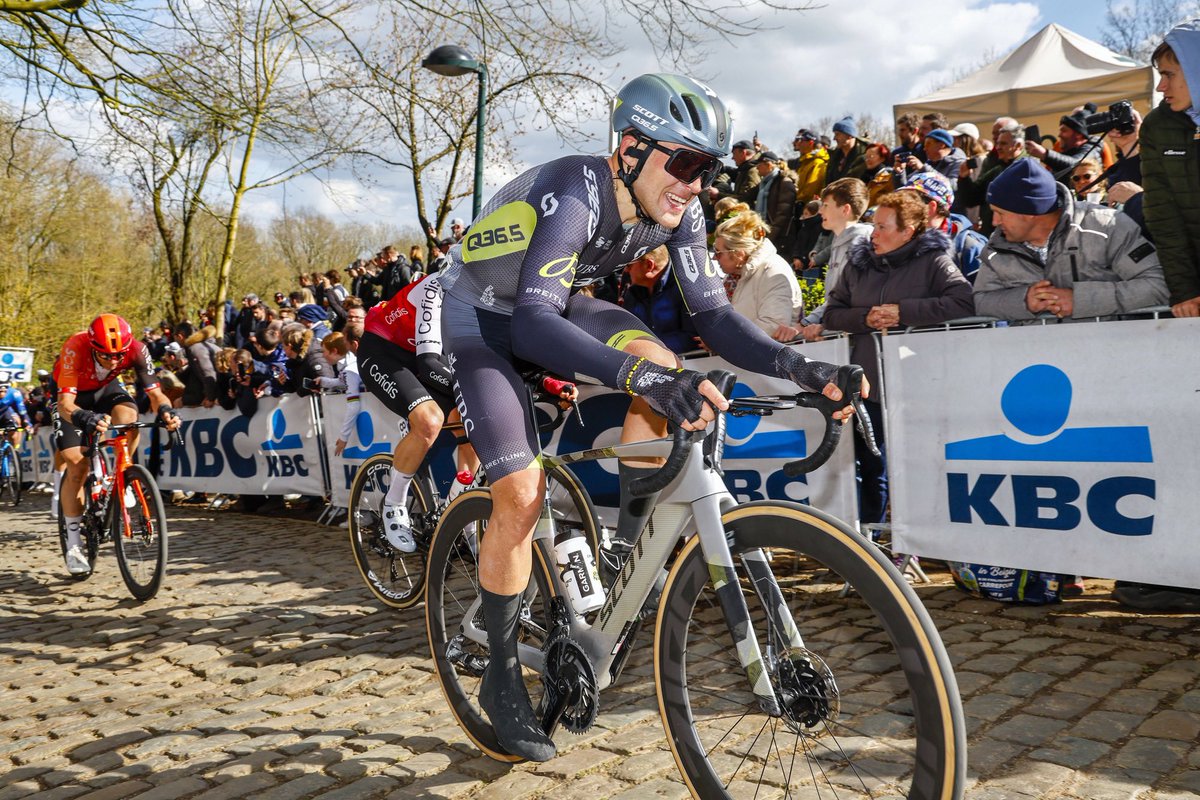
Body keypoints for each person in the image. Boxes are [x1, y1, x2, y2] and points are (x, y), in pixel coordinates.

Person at [435, 73, 861, 763]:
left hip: (553, 304)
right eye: (685, 162)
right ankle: (502, 676)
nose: (695, 184)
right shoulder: (577, 189)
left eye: (707, 168)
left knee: (666, 365)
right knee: (519, 492)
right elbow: (534, 325)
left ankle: (626, 550)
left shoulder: (679, 211)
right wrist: (641, 379)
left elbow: (715, 316)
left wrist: (802, 370)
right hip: (479, 320)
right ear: (630, 148)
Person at [823, 191, 974, 527]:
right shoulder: (858, 264)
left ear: (908, 231)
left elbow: (964, 302)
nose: (872, 233)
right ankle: (870, 544)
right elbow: (832, 314)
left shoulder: (934, 261)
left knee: (919, 466)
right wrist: (866, 318)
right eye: (873, 225)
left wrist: (904, 313)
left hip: (918, 385)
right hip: (869, 387)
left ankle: (918, 541)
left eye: (882, 226)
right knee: (871, 465)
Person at [356, 274, 478, 552]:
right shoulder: (439, 286)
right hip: (384, 352)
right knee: (429, 422)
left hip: (425, 356)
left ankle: (464, 514)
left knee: (470, 423)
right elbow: (429, 365)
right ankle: (394, 503)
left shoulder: (487, 296)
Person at [51, 314, 180, 575]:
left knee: (129, 419)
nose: (113, 361)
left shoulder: (137, 348)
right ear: (93, 347)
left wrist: (166, 410)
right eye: (106, 356)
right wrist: (84, 416)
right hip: (73, 399)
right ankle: (74, 544)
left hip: (107, 390)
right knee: (77, 466)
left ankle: (124, 473)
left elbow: (155, 393)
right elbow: (65, 404)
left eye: (119, 356)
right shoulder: (75, 348)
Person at [974, 158, 1168, 321]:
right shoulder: (997, 245)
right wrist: (1024, 301)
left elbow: (1158, 284)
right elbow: (981, 301)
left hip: (1111, 356)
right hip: (1036, 361)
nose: (994, 221)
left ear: (1030, 212)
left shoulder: (1106, 226)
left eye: (1000, 213)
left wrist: (1081, 300)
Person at [1143, 26, 1200, 319]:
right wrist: (1185, 290)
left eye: (1169, 75)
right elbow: (1164, 217)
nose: (1160, 87)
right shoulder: (1156, 126)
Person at [774, 177, 872, 342]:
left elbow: (848, 297)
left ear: (845, 210)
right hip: (840, 330)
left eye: (826, 205)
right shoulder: (838, 242)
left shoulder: (860, 243)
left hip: (856, 335)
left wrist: (808, 323)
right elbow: (834, 299)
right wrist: (807, 323)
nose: (820, 212)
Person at [713, 206, 804, 335]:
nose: (714, 257)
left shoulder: (773, 271)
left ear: (738, 253)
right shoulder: (734, 277)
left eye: (718, 253)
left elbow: (773, 326)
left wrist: (723, 340)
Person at [620, 245, 699, 355]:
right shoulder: (633, 291)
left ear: (649, 265)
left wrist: (646, 348)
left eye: (628, 265)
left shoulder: (687, 286)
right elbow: (626, 330)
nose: (625, 270)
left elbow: (692, 338)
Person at [751, 150, 796, 249]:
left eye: (759, 164)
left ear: (768, 164)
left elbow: (783, 214)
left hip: (779, 238)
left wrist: (770, 238)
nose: (757, 167)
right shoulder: (763, 185)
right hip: (765, 233)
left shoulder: (784, 183)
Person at [787, 128, 828, 204]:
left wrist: (792, 199)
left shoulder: (817, 163)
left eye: (802, 141)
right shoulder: (805, 162)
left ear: (811, 143)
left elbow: (809, 192)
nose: (799, 143)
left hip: (807, 208)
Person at [826, 116, 867, 184]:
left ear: (849, 135)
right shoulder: (834, 157)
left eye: (837, 134)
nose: (834, 138)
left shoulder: (864, 157)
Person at [0, 371, 31, 453]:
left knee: (13, 432)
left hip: (5, 413)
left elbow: (22, 412)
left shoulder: (14, 393)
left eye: (4, 388)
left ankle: (13, 456)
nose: (2, 392)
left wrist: (27, 424)